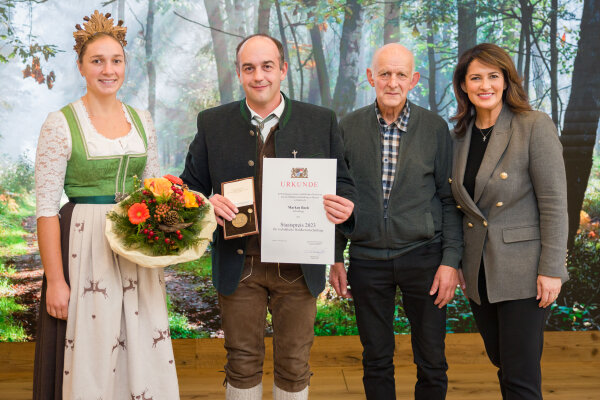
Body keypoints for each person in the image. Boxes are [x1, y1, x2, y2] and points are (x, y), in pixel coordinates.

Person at [180, 33, 356, 400]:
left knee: (294, 363)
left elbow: (344, 185)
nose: (258, 76)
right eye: (249, 68)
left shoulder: (320, 121)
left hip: (298, 266)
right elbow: (188, 188)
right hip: (239, 264)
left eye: (267, 66)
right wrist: (205, 201)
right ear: (240, 74)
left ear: (283, 70)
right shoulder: (213, 123)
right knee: (241, 362)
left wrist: (345, 212)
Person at [33, 11, 179, 400]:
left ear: (125, 66)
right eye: (97, 61)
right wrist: (57, 281)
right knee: (93, 347)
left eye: (116, 60)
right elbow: (46, 209)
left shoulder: (141, 119)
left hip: (134, 246)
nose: (108, 70)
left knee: (141, 340)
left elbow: (153, 189)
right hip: (84, 246)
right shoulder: (60, 123)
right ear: (81, 66)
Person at [330, 43, 463, 400]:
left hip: (424, 257)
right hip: (367, 261)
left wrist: (450, 262)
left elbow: (450, 201)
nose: (392, 82)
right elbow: (336, 200)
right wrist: (336, 256)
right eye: (385, 74)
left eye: (401, 74)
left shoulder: (435, 129)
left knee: (432, 359)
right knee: (375, 358)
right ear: (371, 77)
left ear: (413, 80)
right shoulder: (348, 127)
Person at [449, 43, 569, 399]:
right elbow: (458, 206)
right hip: (479, 272)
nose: (484, 85)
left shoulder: (533, 125)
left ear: (505, 81)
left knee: (520, 376)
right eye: (475, 77)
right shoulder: (458, 135)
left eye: (492, 76)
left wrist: (551, 268)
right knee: (503, 363)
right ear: (464, 85)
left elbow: (553, 203)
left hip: (524, 271)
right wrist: (455, 263)